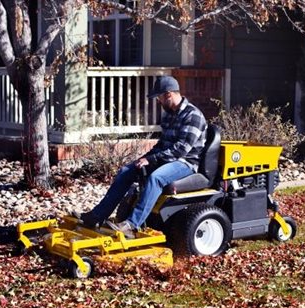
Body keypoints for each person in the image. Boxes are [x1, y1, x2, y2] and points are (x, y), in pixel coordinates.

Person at [76, 75, 208, 238]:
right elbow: (162, 145)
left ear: (168, 94)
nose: (158, 102)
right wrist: (144, 159)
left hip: (185, 163)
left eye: (158, 98)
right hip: (167, 159)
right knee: (126, 171)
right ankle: (96, 216)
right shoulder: (169, 115)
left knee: (156, 178)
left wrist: (151, 160)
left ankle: (132, 225)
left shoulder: (193, 115)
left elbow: (181, 150)